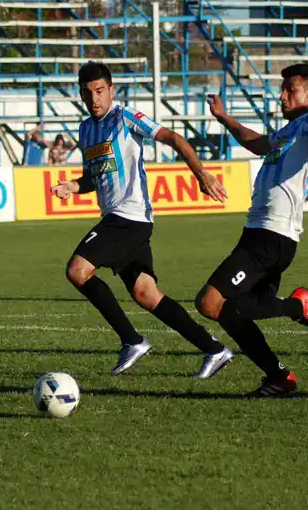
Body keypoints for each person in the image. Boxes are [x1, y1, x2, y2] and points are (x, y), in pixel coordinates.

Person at [50, 61, 234, 378]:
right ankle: (214, 349)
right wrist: (74, 186)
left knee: (77, 270)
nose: (94, 99)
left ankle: (131, 341)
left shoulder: (126, 117)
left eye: (100, 91)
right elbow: (93, 177)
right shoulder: (85, 130)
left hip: (130, 217)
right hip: (117, 218)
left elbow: (174, 138)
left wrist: (201, 174)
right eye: (87, 93)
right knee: (146, 294)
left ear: (111, 90)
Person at [195, 63, 308, 397]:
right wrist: (223, 118)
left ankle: (298, 307)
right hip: (259, 232)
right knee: (231, 311)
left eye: (289, 89)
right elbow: (256, 142)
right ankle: (279, 377)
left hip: (272, 235)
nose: (281, 96)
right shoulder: (288, 132)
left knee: (209, 302)